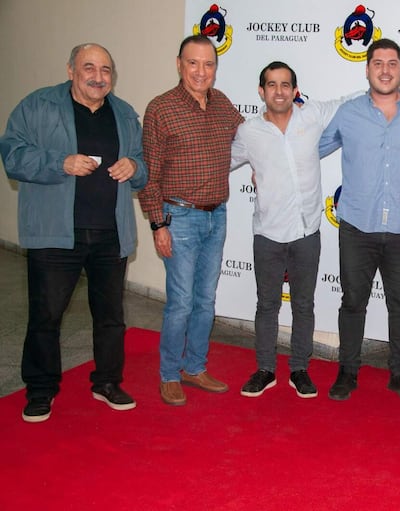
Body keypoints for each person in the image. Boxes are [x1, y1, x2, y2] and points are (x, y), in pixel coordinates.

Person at [0, 43, 148, 422]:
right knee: (46, 315)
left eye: (106, 70)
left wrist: (134, 166)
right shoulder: (37, 106)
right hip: (54, 234)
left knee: (111, 316)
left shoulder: (125, 114)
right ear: (70, 70)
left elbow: (145, 166)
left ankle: (107, 381)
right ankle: (40, 390)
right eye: (89, 67)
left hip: (111, 233)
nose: (98, 76)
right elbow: (13, 155)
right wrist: (59, 162)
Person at [318, 39, 400, 402]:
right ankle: (347, 371)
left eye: (392, 63)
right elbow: (311, 150)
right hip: (357, 226)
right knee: (353, 302)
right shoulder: (348, 113)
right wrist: (268, 169)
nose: (386, 70)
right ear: (367, 69)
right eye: (378, 63)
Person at [230, 61, 361, 399]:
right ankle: (265, 369)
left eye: (285, 84)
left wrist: (391, 91)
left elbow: (349, 100)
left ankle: (300, 369)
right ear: (261, 91)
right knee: (266, 305)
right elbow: (221, 161)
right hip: (268, 235)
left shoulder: (312, 115)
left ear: (294, 90)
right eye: (271, 85)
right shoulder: (248, 132)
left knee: (304, 304)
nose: (279, 91)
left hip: (307, 232)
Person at [138, 35, 244, 406]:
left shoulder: (223, 104)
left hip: (218, 216)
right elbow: (149, 175)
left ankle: (195, 366)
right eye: (193, 63)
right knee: (180, 302)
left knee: (205, 299)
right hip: (178, 217)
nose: (201, 71)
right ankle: (169, 373)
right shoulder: (161, 108)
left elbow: (251, 138)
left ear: (216, 67)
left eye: (209, 64)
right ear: (179, 64)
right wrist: (157, 224)